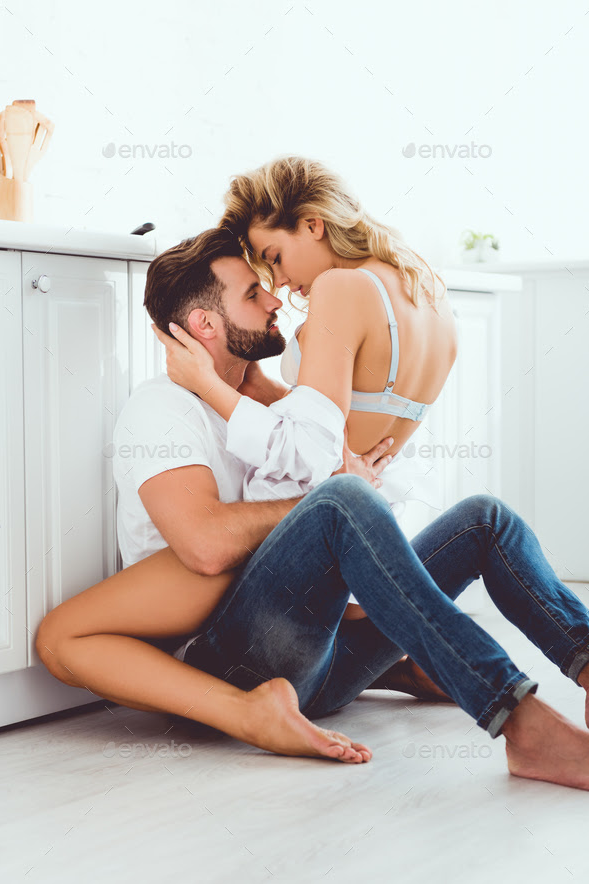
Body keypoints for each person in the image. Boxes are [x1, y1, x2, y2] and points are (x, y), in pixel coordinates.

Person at [35, 228, 589, 789]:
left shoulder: (262, 405)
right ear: (204, 325)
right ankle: (522, 724)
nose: (275, 298)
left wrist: (272, 397)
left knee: (484, 520)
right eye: (253, 293)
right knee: (341, 499)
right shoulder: (161, 410)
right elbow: (206, 547)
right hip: (238, 665)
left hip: (322, 666)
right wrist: (331, 490)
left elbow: (323, 496)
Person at [159, 155, 459, 618]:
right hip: (382, 520)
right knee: (490, 522)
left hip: (299, 544)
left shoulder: (342, 287)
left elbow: (309, 448)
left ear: (312, 225)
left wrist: (207, 383)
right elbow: (354, 417)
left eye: (275, 258)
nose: (279, 283)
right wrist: (268, 392)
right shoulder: (429, 291)